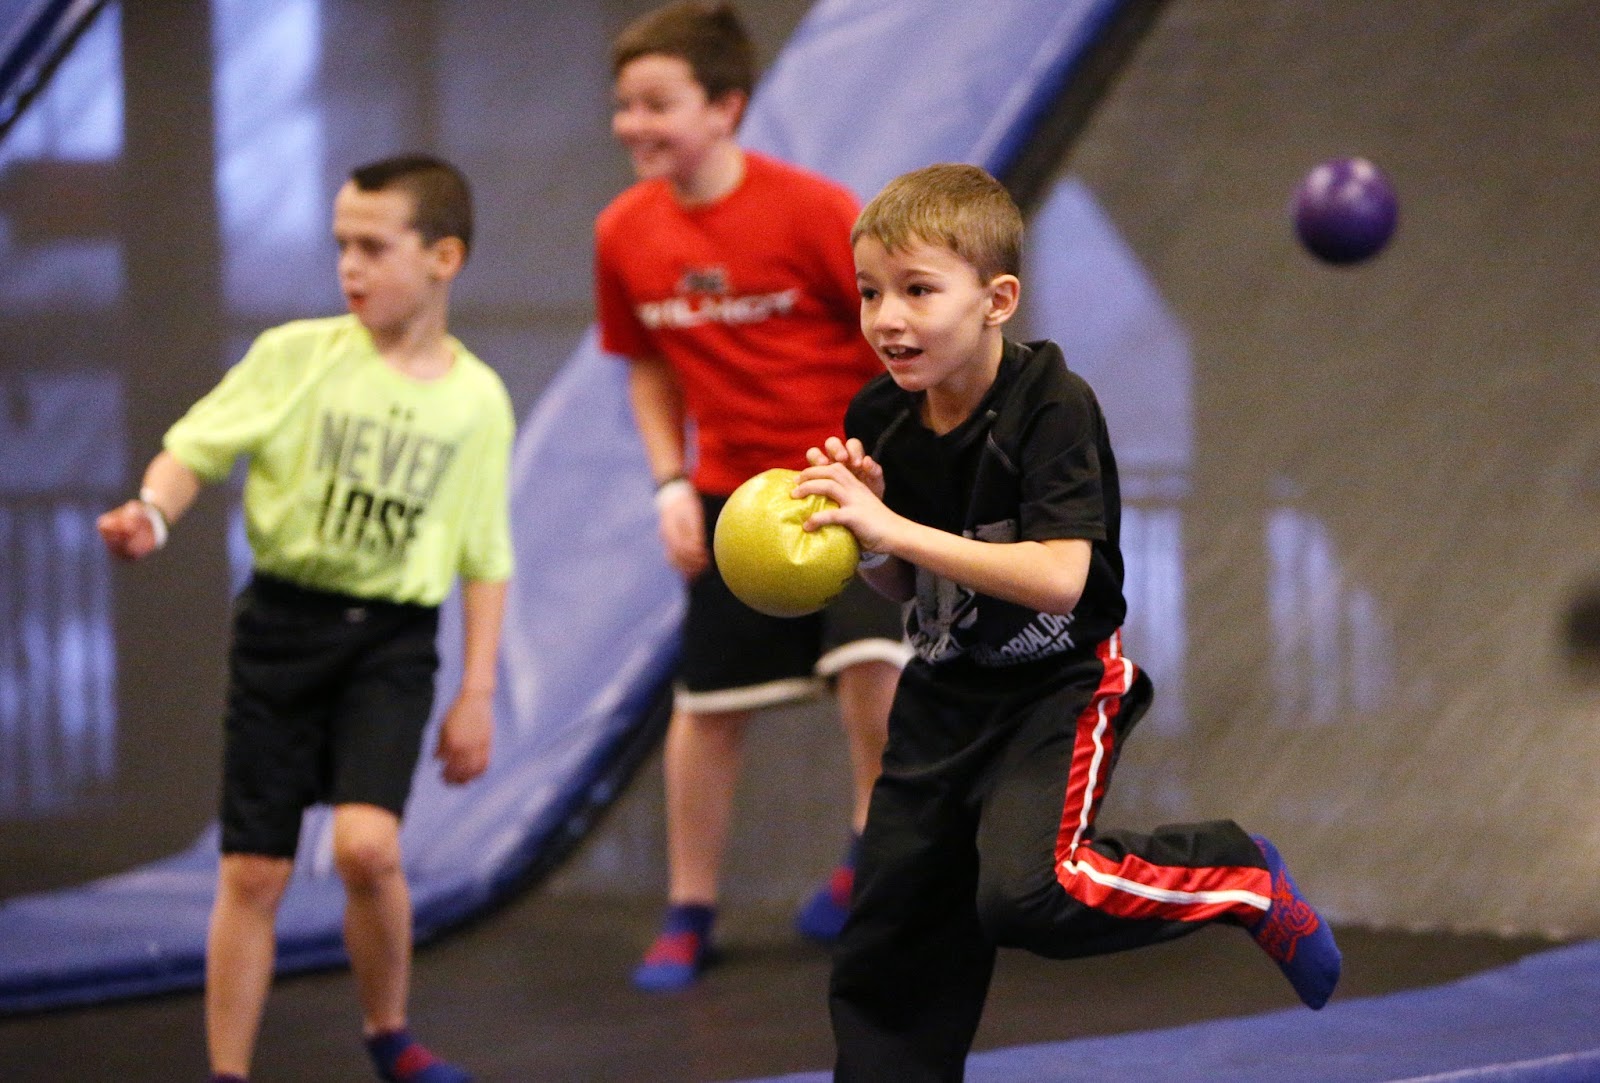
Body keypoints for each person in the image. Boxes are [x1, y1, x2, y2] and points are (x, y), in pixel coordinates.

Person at [793, 163, 1343, 1080]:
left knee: (1029, 894)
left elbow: (1058, 579)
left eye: (918, 290)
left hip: (1056, 689)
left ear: (997, 300)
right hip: (942, 697)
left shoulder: (1051, 403)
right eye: (870, 292)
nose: (887, 318)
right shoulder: (878, 414)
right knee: (892, 937)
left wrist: (896, 528)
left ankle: (1237, 872)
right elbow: (906, 588)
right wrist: (864, 538)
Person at [97, 154, 513, 1083]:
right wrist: (153, 512)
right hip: (283, 631)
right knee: (254, 871)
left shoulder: (476, 400)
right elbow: (193, 448)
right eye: (340, 246)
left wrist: (478, 690)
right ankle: (228, 1070)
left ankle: (389, 1031)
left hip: (391, 640)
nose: (349, 267)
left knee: (367, 846)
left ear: (443, 257)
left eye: (373, 247)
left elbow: (485, 554)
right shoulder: (296, 356)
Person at [595, 0, 910, 991]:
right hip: (732, 498)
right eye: (625, 105)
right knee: (707, 710)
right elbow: (647, 365)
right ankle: (689, 909)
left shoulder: (814, 212)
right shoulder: (623, 232)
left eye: (657, 103)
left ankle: (867, 854)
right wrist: (668, 483)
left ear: (724, 107)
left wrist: (892, 473)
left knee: (874, 663)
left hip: (842, 479)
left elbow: (894, 336)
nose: (634, 124)